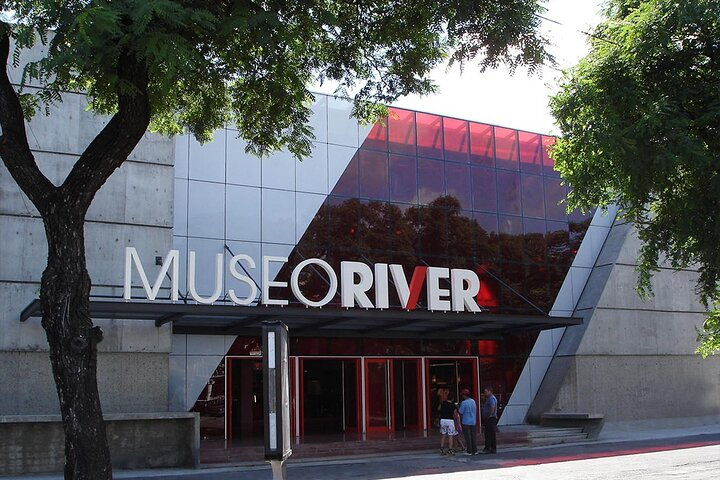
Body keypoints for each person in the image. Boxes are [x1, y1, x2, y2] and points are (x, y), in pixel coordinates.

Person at [438, 389, 458, 455]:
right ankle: (450, 449)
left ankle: (441, 449)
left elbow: (438, 409)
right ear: (452, 399)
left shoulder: (443, 403)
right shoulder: (453, 406)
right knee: (450, 435)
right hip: (450, 420)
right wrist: (456, 422)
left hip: (443, 420)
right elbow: (455, 415)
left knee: (443, 435)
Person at [458, 388, 478, 455]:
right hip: (473, 421)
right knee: (473, 436)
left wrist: (458, 406)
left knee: (468, 437)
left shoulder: (464, 403)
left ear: (464, 395)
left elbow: (460, 411)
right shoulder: (473, 401)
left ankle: (469, 451)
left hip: (466, 422)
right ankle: (475, 450)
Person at [481, 386, 498, 454]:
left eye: (486, 392)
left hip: (491, 418)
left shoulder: (491, 399)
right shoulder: (489, 398)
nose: (485, 393)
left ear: (489, 391)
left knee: (489, 433)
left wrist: (490, 415)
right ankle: (491, 447)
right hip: (490, 418)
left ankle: (489, 448)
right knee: (490, 433)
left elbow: (492, 406)